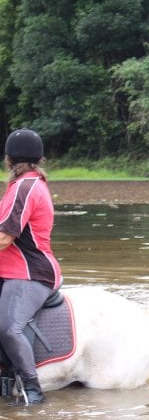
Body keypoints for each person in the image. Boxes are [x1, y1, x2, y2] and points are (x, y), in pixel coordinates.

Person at [0, 128, 62, 405]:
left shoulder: (25, 187)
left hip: (27, 272)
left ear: (9, 160)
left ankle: (31, 389)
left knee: (8, 328)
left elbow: (5, 237)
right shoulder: (30, 184)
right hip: (12, 269)